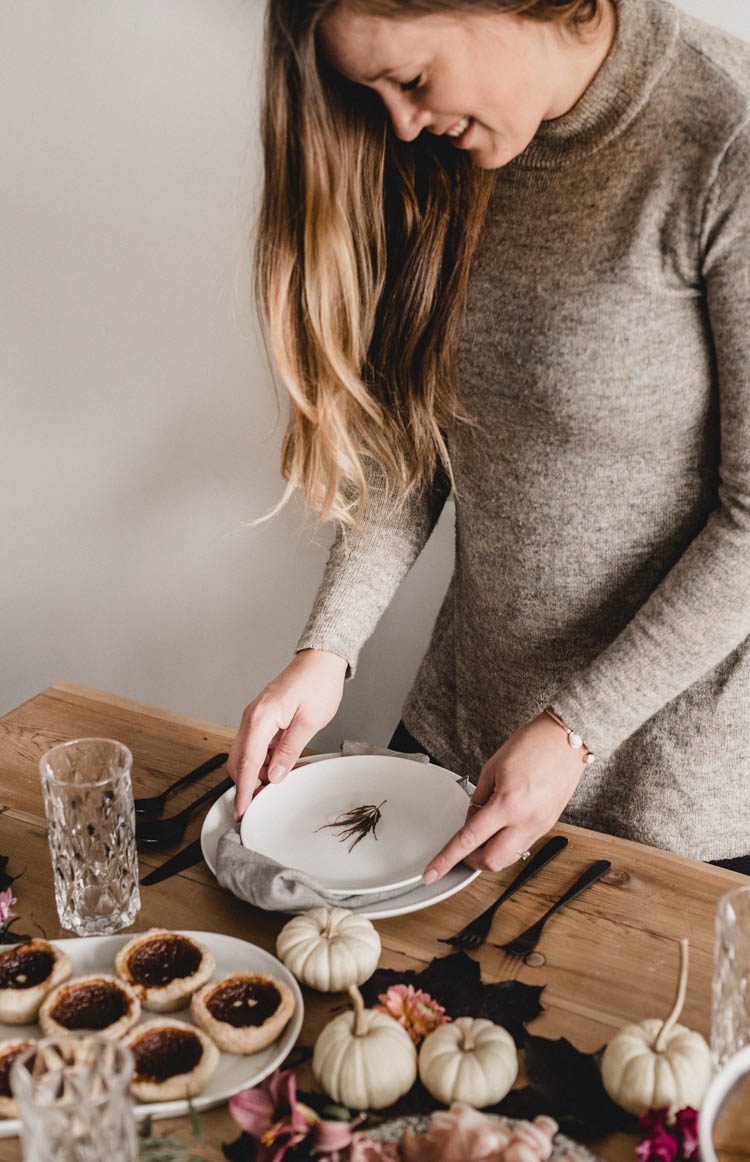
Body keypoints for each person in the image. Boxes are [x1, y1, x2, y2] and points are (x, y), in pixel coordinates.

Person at [227, 0, 750, 879]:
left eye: (412, 79)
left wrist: (574, 729)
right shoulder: (446, 150)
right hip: (459, 742)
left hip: (679, 801)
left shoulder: (721, 136)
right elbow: (415, 434)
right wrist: (327, 649)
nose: (400, 120)